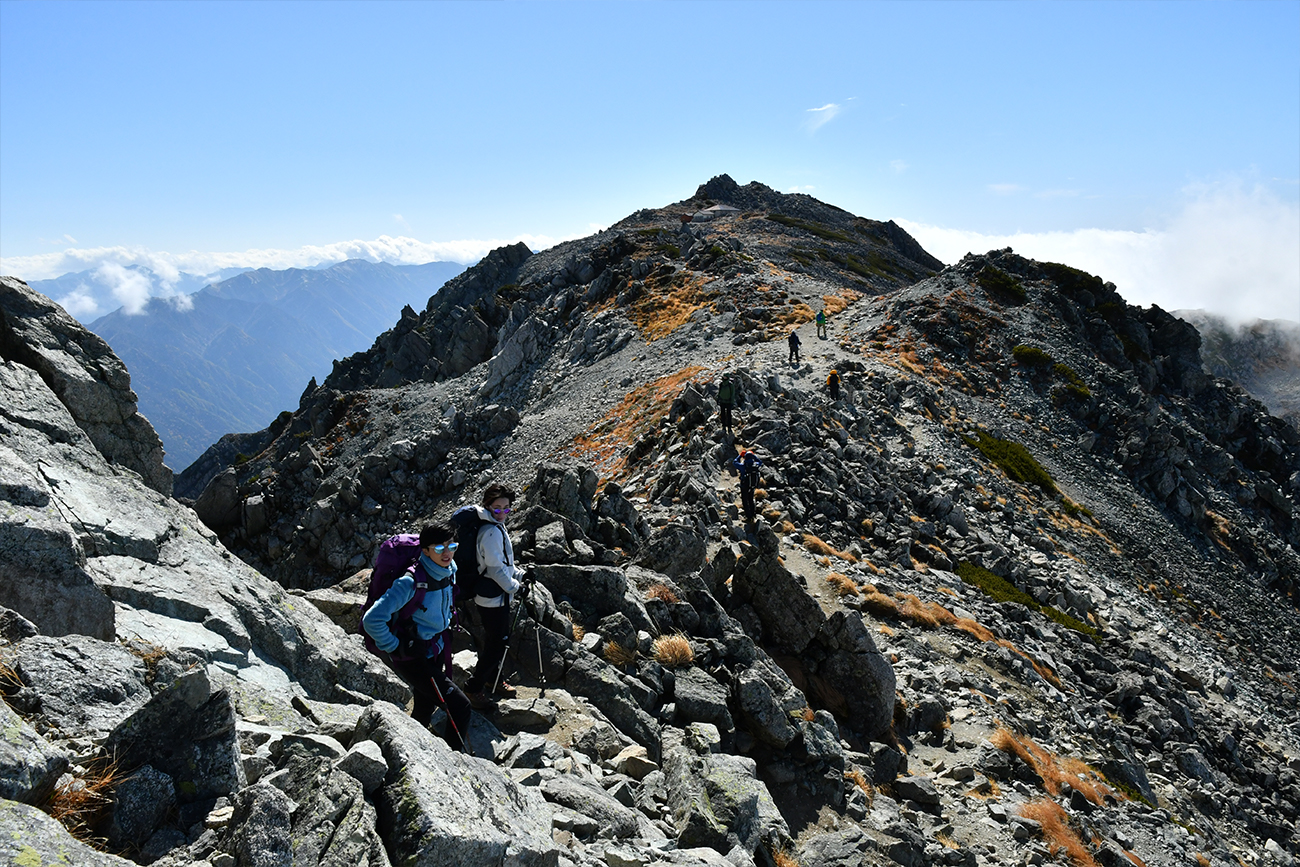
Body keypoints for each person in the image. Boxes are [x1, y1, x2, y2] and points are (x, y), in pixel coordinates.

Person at [362, 524, 473, 751]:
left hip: (435, 647)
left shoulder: (450, 569)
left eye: (452, 546)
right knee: (461, 706)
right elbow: (372, 619)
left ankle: (411, 749)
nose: (447, 552)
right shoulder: (410, 582)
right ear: (424, 551)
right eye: (439, 547)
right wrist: (395, 646)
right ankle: (455, 763)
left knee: (425, 703)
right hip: (412, 656)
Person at [462, 483, 525, 708]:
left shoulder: (495, 527)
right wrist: (515, 587)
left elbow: (504, 564)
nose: (502, 513)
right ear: (487, 506)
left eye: (507, 508)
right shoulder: (490, 532)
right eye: (497, 508)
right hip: (492, 598)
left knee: (495, 640)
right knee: (497, 644)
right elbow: (495, 568)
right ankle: (474, 688)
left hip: (495, 594)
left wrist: (520, 574)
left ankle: (492, 679)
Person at [732, 449, 763, 526]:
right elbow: (760, 462)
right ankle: (753, 515)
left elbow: (734, 462)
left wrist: (740, 455)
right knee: (751, 500)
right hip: (752, 486)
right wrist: (754, 456)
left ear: (745, 458)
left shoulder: (743, 466)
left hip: (744, 486)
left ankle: (749, 518)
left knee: (745, 501)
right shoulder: (755, 465)